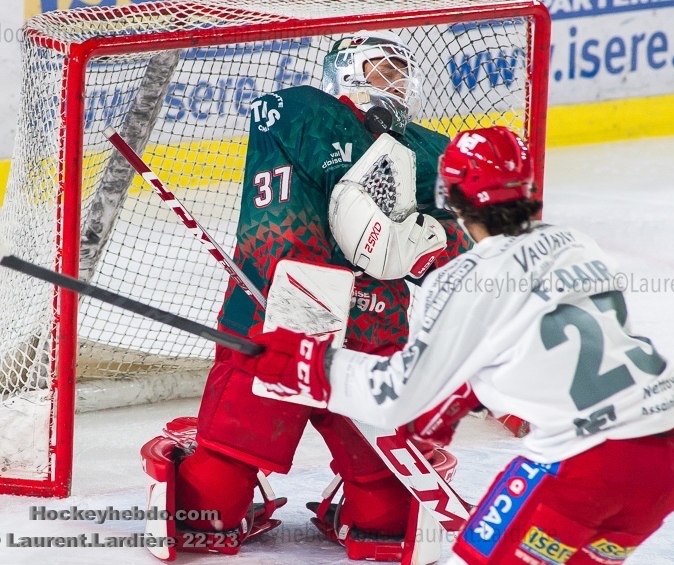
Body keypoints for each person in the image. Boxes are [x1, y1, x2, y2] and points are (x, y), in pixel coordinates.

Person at [249, 126, 674, 564]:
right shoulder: (578, 246)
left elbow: (396, 396)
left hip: (585, 467)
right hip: (665, 464)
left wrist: (308, 364)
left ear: (452, 198)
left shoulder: (464, 280)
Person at [141, 29, 471, 559]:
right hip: (369, 319)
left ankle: (205, 519)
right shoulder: (425, 147)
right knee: (374, 474)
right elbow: (455, 245)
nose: (398, 81)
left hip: (281, 306)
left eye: (403, 70)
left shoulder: (288, 107)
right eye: (383, 68)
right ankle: (373, 522)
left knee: (226, 462)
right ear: (346, 71)